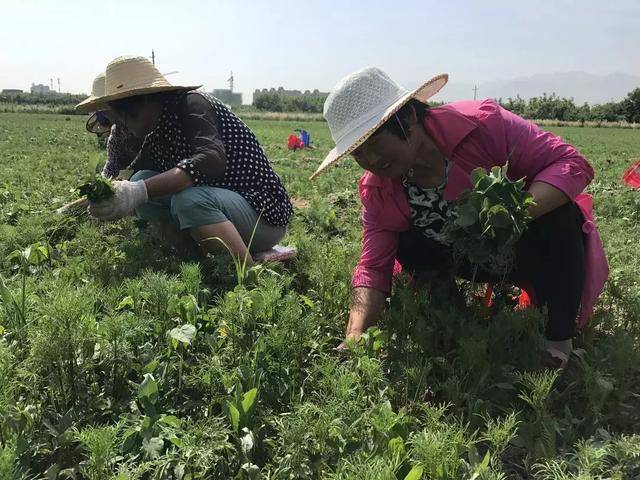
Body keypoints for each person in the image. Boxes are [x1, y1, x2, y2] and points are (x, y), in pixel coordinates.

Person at [311, 67, 608, 368]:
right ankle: (454, 319)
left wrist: (514, 212)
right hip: (466, 258)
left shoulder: (482, 124)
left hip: (524, 245)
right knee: (407, 240)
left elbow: (571, 162)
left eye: (375, 143)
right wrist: (355, 332)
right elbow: (373, 267)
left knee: (561, 215)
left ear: (409, 117)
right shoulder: (378, 191)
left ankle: (557, 337)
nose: (372, 161)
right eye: (359, 154)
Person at [75, 56, 293, 262]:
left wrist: (138, 191)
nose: (124, 127)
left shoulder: (192, 105)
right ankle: (189, 258)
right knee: (141, 178)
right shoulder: (158, 128)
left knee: (187, 199)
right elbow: (131, 175)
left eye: (123, 118)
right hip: (223, 212)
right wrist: (111, 195)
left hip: (262, 217)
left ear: (142, 103)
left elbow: (210, 159)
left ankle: (242, 272)